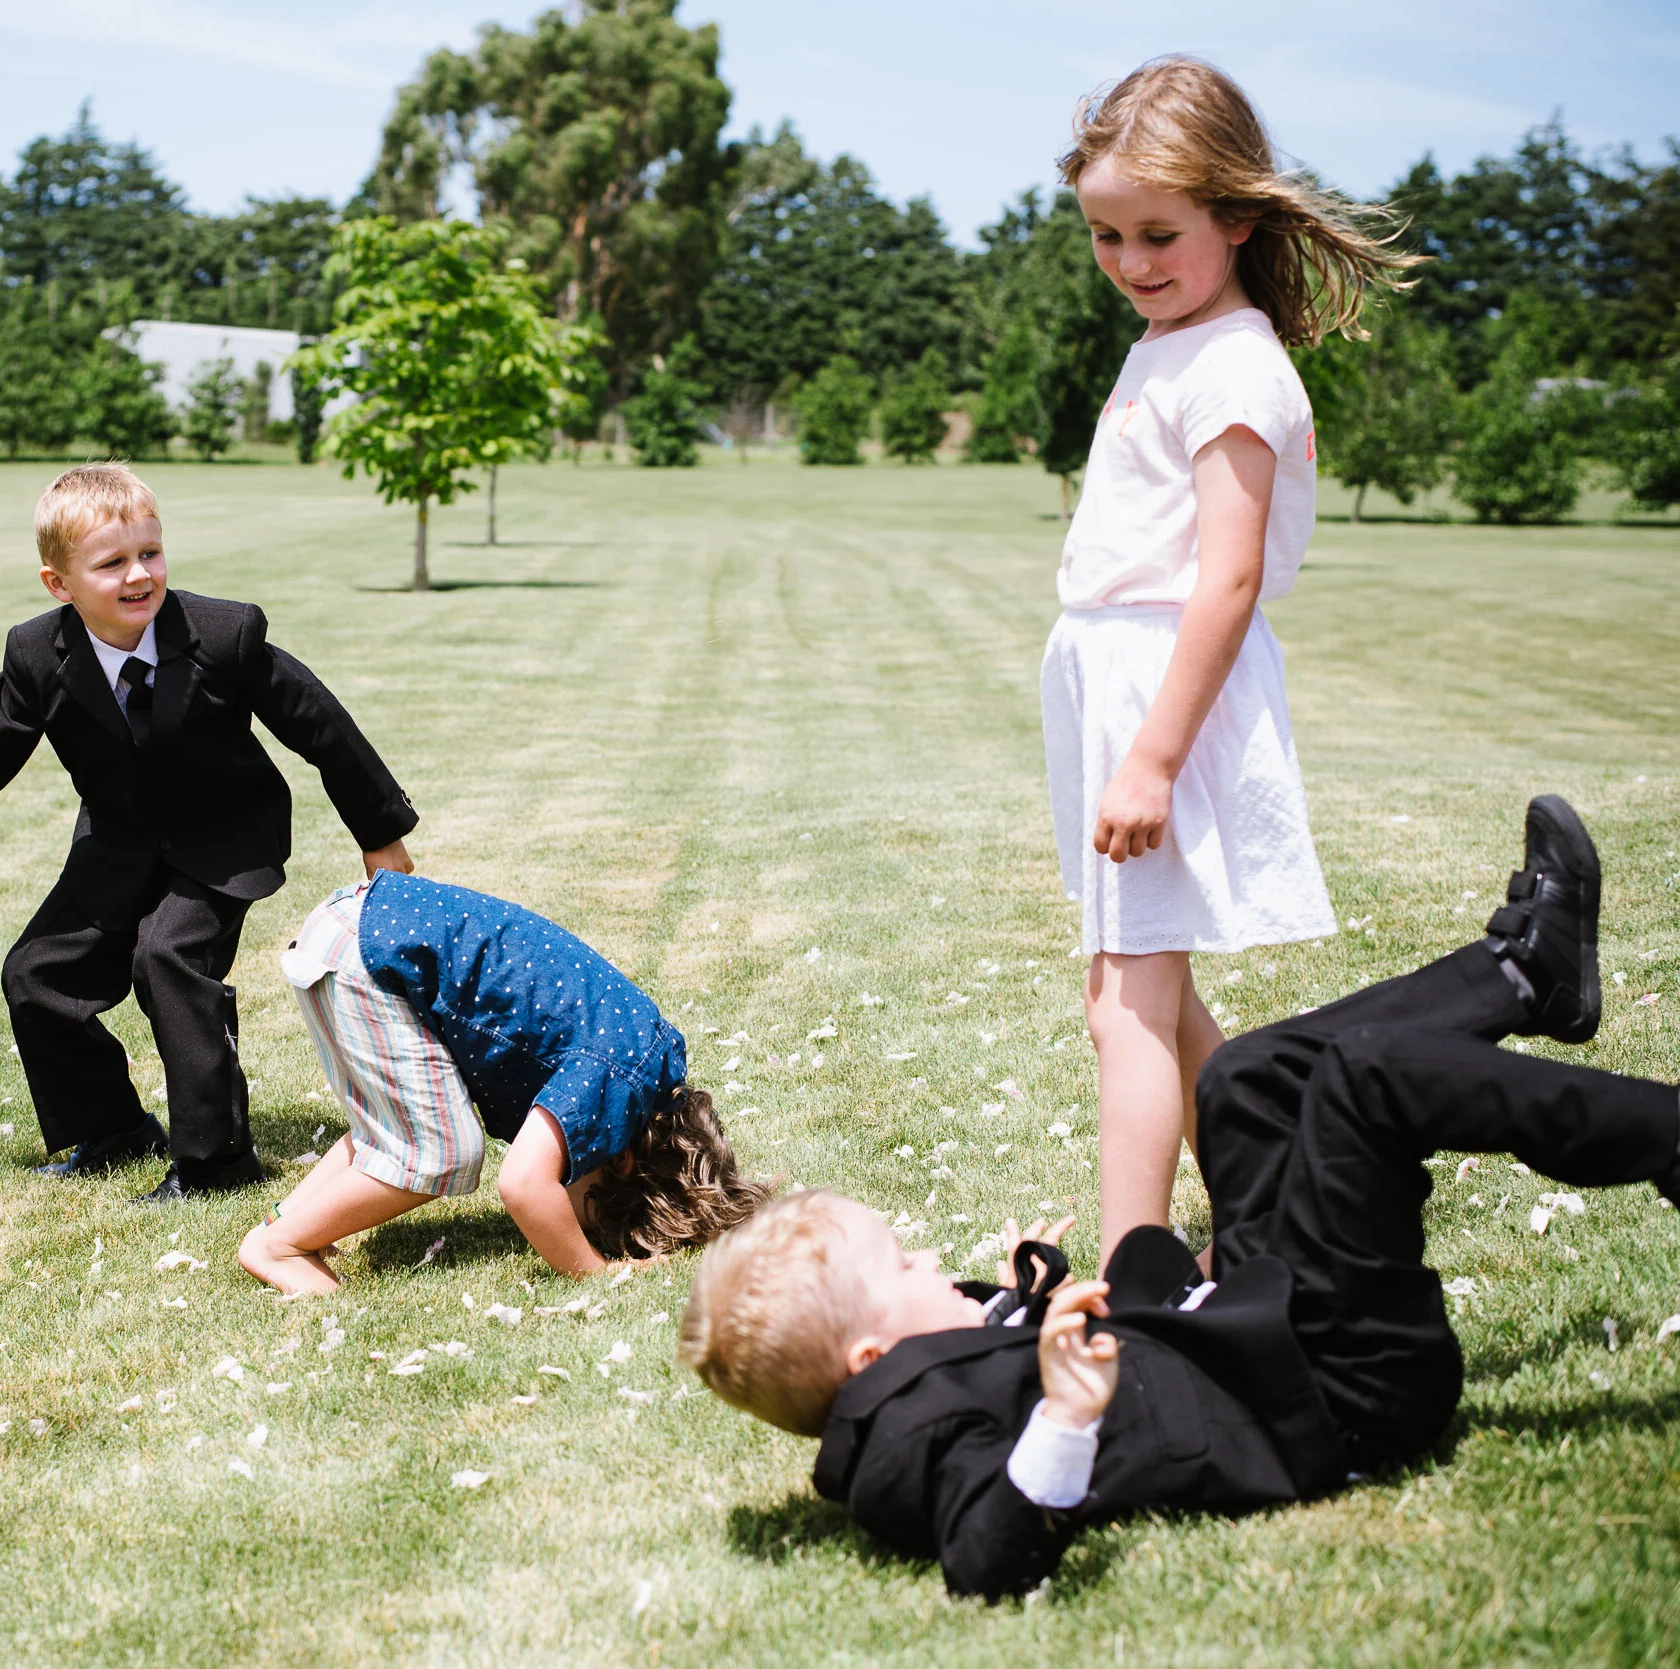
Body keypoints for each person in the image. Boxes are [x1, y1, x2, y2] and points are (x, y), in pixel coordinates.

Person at [680, 797, 1679, 1598]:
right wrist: (1065, 1416)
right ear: (869, 1359)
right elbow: (984, 1557)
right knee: (1363, 1076)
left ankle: (1521, 973)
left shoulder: (921, 1369)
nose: (925, 1263)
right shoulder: (896, 1440)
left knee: (1243, 1078)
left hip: (1253, 1328)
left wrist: (1026, 1297)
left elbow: (1003, 1353)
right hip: (1340, 1391)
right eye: (900, 1268)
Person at [1039, 57, 1427, 1266]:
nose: (1130, 261)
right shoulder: (1172, 342)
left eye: (1159, 233)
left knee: (1125, 1008)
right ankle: (1282, 1191)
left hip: (1166, 697)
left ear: (1236, 217)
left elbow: (1229, 576)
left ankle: (1132, 1274)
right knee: (1143, 991)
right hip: (1115, 691)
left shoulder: (1235, 364)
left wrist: (1152, 754)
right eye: (1105, 234)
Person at [0, 464, 419, 1202]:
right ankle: (113, 1129)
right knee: (37, 975)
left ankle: (217, 1159)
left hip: (225, 836)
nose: (139, 574)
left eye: (150, 553)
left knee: (169, 958)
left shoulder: (224, 634)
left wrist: (380, 834)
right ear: (58, 583)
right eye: (112, 563)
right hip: (120, 840)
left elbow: (321, 726)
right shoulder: (37, 657)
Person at [236, 871, 772, 1294]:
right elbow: (523, 1184)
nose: (567, 1193)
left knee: (399, 1126)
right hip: (371, 953)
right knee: (445, 1150)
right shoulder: (621, 1079)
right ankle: (280, 1246)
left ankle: (281, 1225)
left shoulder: (644, 1053)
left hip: (361, 928)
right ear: (622, 1161)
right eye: (586, 1206)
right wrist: (593, 1270)